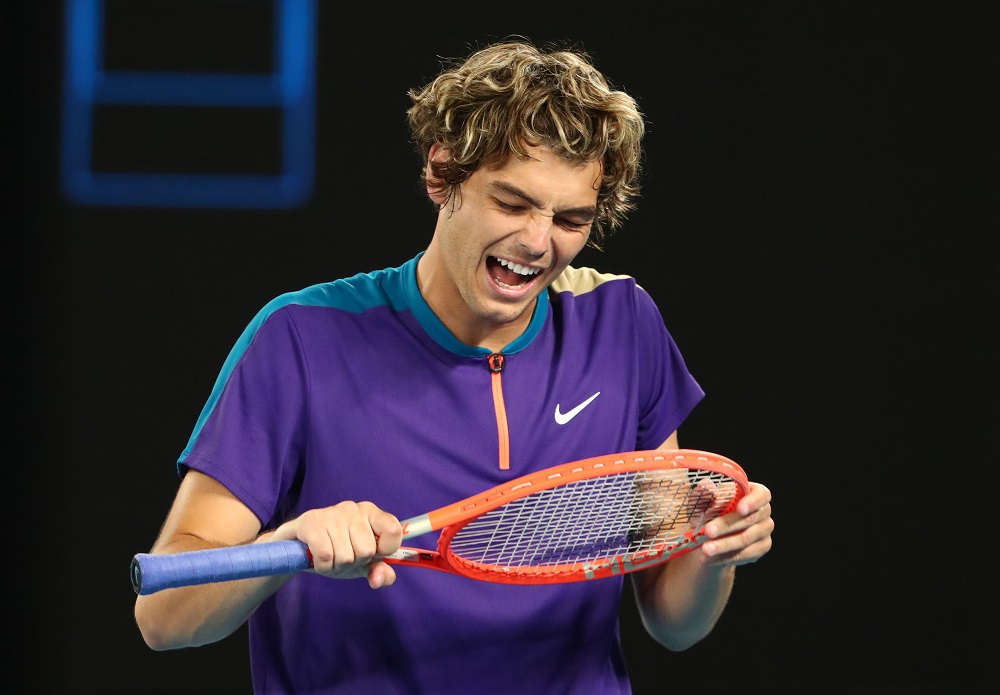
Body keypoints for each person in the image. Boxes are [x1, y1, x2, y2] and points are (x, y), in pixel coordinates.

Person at [134, 38, 774, 694]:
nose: (537, 241)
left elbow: (672, 618)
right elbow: (163, 615)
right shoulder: (299, 338)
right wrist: (288, 545)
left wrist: (715, 552)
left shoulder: (622, 324)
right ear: (442, 172)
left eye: (571, 218)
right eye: (513, 202)